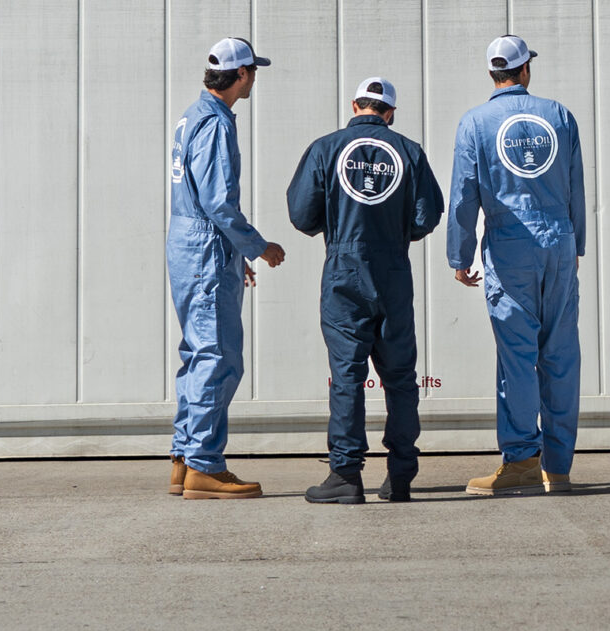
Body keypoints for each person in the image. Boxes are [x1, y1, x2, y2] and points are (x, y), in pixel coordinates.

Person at [285, 77, 444, 505]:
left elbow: (301, 214)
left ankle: (345, 476)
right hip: (393, 270)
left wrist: (338, 227)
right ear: (390, 113)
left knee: (347, 377)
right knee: (400, 378)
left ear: (355, 105)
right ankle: (401, 476)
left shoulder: (326, 148)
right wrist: (392, 233)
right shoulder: (409, 151)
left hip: (344, 273)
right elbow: (426, 217)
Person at [447, 35, 587, 495]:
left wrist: (459, 255)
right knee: (561, 355)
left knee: (517, 358)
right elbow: (575, 186)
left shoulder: (475, 123)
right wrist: (577, 244)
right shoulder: (559, 116)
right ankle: (559, 467)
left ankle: (522, 460)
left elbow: (465, 195)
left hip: (510, 245)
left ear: (493, 74)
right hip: (559, 241)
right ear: (525, 70)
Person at [166, 37, 286, 500]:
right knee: (218, 357)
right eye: (253, 71)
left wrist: (232, 255)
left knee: (198, 353)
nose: (254, 78)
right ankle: (204, 465)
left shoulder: (190, 117)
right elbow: (217, 200)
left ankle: (183, 459)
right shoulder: (215, 124)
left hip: (189, 245)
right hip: (205, 246)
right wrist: (256, 247)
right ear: (240, 75)